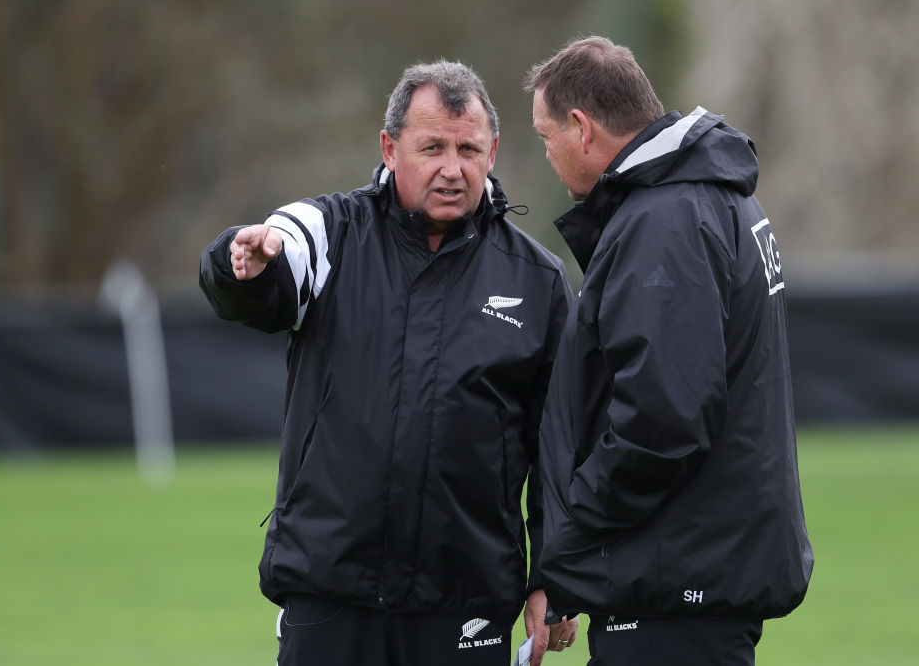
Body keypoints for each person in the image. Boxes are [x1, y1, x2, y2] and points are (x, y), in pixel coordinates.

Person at [200, 60, 578, 665]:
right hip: (331, 594)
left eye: (468, 149)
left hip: (467, 602)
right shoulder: (331, 232)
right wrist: (242, 259)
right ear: (389, 147)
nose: (451, 169)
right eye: (431, 147)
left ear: (494, 152)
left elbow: (561, 445)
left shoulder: (539, 281)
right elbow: (277, 257)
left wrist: (550, 578)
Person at [525, 36, 814, 665]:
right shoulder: (712, 195)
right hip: (696, 571)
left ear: (582, 128)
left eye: (546, 137)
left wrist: (572, 537)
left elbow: (663, 419)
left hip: (678, 582)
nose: (546, 156)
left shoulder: (666, 219)